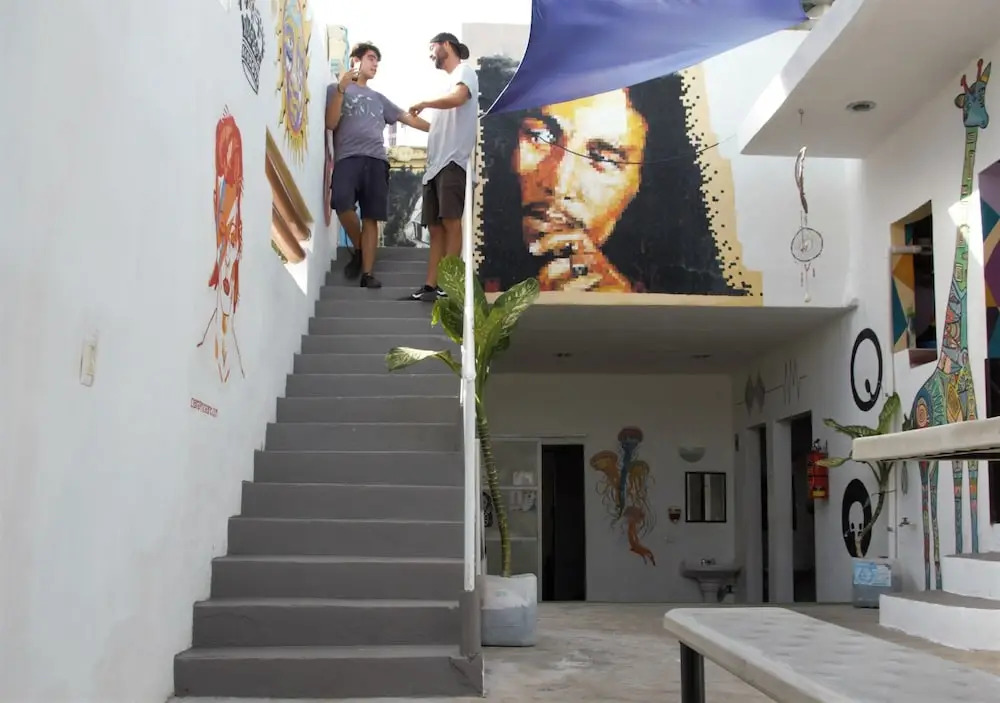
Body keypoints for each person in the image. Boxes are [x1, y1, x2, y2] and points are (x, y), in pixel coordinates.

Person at [326, 42, 429, 288]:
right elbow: (330, 123)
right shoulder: (336, 90)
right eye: (371, 58)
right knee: (341, 203)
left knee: (371, 216)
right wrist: (341, 89)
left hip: (376, 160)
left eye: (377, 61)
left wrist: (438, 129)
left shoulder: (379, 98)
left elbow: (407, 118)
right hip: (347, 158)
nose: (375, 65)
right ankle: (361, 247)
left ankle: (368, 274)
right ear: (356, 61)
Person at [406, 32, 480, 302]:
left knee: (450, 222)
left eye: (432, 48)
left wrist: (425, 103)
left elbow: (459, 98)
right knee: (435, 229)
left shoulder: (464, 72)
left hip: (453, 162)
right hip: (434, 167)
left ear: (447, 45)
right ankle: (430, 285)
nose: (430, 55)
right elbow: (435, 128)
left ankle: (450, 284)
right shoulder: (443, 86)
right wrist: (403, 116)